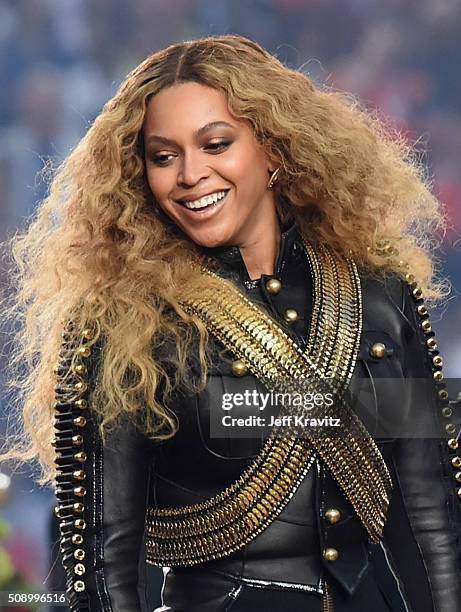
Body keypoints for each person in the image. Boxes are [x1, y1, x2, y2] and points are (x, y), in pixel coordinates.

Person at [2, 34, 461, 612]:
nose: (190, 174)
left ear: (274, 148)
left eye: (216, 144)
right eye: (163, 156)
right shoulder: (122, 325)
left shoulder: (381, 295)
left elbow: (429, 515)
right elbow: (101, 564)